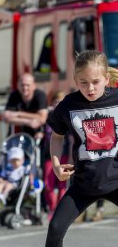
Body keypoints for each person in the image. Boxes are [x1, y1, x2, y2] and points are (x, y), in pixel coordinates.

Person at [29, 50, 118, 247]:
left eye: (95, 82)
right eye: (83, 83)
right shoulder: (68, 106)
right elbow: (56, 137)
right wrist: (56, 163)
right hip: (83, 184)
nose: (90, 88)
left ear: (106, 79)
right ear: (76, 81)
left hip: (116, 180)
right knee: (55, 228)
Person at [42, 91, 73, 221]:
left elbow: (72, 140)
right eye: (55, 102)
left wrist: (72, 158)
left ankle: (61, 211)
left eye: (60, 102)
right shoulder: (48, 118)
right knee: (48, 184)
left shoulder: (67, 118)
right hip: (49, 156)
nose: (57, 105)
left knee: (62, 184)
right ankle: (52, 208)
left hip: (64, 155)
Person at [4, 73, 48, 139]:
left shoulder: (40, 95)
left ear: (34, 86)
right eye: (22, 85)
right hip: (17, 135)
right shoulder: (14, 95)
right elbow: (6, 117)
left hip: (37, 135)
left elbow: (42, 118)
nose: (25, 88)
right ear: (18, 85)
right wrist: (28, 122)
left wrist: (18, 114)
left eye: (27, 85)